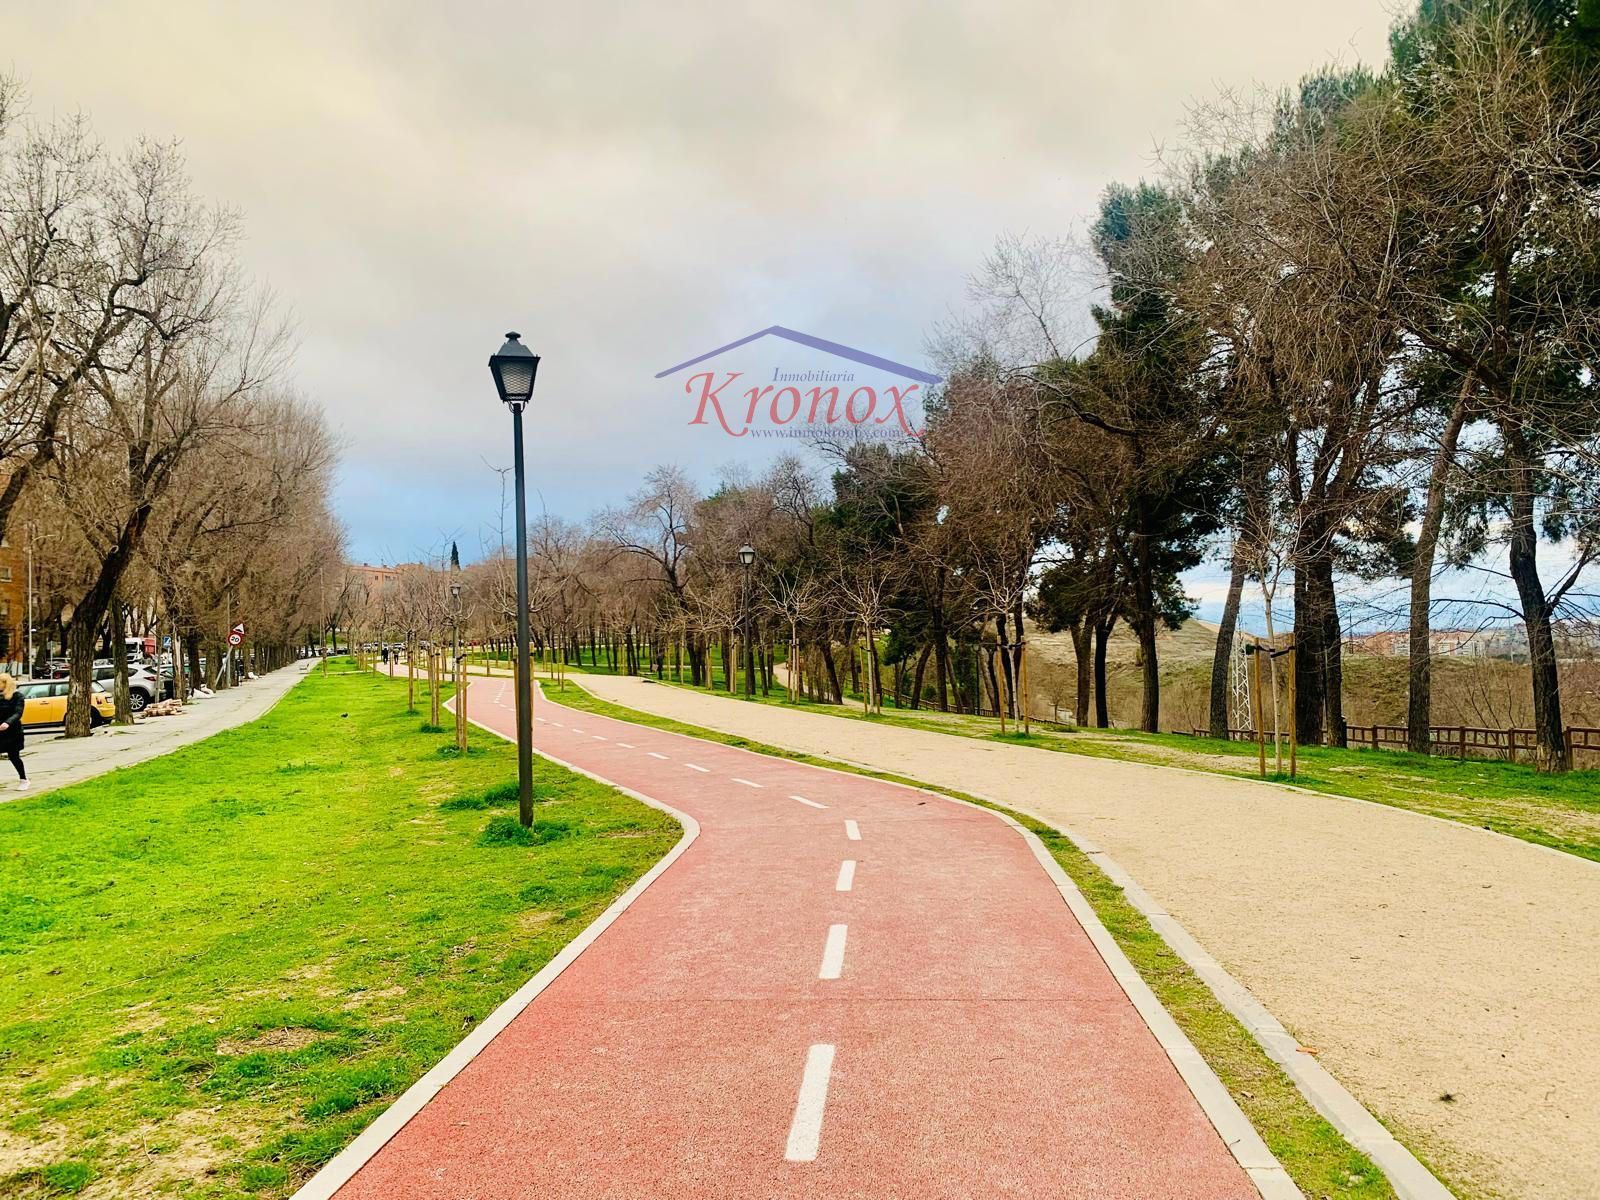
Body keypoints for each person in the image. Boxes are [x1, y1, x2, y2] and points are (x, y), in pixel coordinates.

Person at [0, 674, 28, 791]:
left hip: (12, 731)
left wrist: (8, 723)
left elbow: (18, 712)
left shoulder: (17, 696)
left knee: (14, 756)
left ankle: (23, 779)